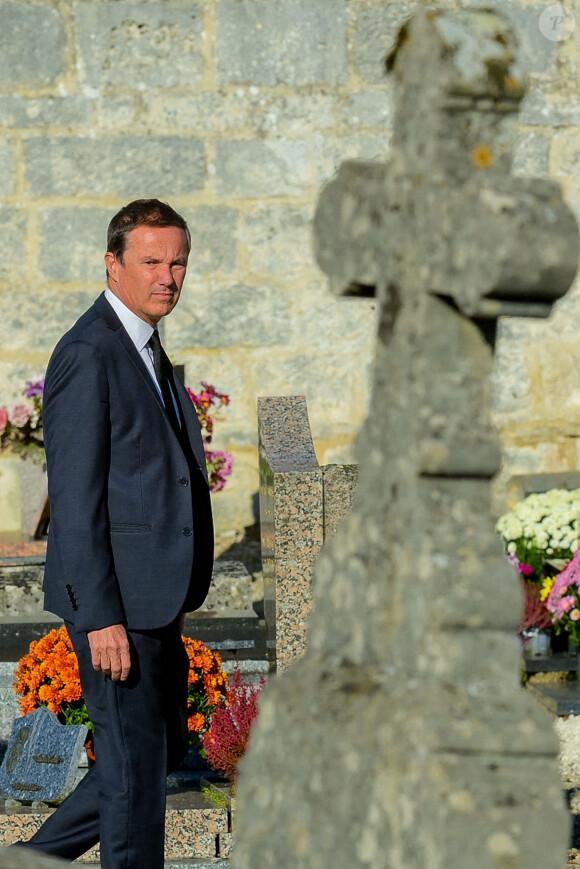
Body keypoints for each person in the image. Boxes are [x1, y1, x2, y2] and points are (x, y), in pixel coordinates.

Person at [13, 199, 214, 869]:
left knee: (146, 760)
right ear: (113, 263)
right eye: (151, 261)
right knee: (134, 790)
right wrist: (99, 618)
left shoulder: (147, 345)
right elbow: (74, 503)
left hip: (155, 603)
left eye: (178, 260)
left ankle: (32, 860)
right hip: (118, 612)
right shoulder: (89, 351)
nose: (168, 275)